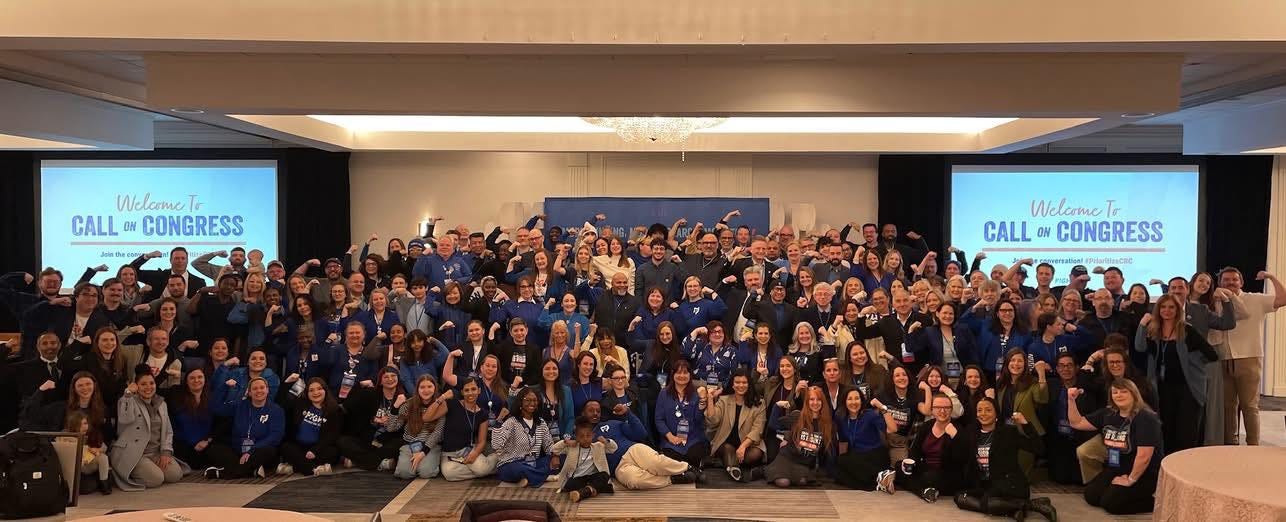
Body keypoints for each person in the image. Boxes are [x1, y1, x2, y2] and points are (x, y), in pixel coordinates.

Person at [1134, 295, 1219, 455]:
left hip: (1188, 388)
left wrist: (1191, 362)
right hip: (1163, 388)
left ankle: (1185, 463)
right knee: (1167, 429)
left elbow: (1211, 355)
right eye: (1163, 307)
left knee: (1186, 431)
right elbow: (1140, 347)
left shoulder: (1187, 331)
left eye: (1171, 307)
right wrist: (1142, 324)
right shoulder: (1154, 331)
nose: (1167, 310)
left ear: (1177, 310)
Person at [1067, 380, 1163, 515]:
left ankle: (1156, 503)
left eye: (1124, 391)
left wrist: (1130, 480)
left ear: (1134, 394)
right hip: (1116, 467)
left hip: (1143, 473)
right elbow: (1077, 423)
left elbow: (1144, 456)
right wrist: (1071, 400)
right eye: (1115, 392)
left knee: (1111, 504)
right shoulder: (1108, 413)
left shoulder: (1146, 417)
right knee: (1091, 496)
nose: (1119, 395)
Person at [953, 397, 1057, 521]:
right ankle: (1017, 509)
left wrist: (1025, 424)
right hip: (986, 485)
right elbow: (961, 456)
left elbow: (1039, 448)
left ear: (996, 414)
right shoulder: (971, 433)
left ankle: (1029, 506)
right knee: (960, 497)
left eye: (988, 410)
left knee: (988, 502)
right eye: (979, 410)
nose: (983, 413)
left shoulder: (1008, 432)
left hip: (1010, 484)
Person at [1219, 268, 1286, 445]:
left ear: (1241, 282)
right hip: (1223, 359)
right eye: (1226, 280)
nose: (1230, 282)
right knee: (1228, 406)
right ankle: (1230, 444)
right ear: (1220, 283)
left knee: (1249, 406)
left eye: (1234, 279)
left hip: (1249, 358)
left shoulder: (1256, 299)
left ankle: (1253, 446)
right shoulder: (1217, 301)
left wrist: (1271, 277)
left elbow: (1283, 299)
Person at [111, 366, 186, 491]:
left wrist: (166, 452)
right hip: (136, 453)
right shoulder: (128, 400)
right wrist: (128, 394)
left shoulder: (161, 403)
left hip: (155, 452)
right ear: (136, 386)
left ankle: (151, 468)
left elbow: (168, 431)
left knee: (175, 475)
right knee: (156, 479)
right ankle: (127, 472)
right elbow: (125, 419)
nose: (148, 387)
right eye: (143, 384)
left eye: (151, 383)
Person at [881, 393, 960, 503]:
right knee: (900, 465)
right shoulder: (926, 426)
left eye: (946, 407)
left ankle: (903, 481)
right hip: (926, 468)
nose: (942, 411)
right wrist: (909, 465)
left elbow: (960, 459)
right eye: (938, 407)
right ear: (932, 410)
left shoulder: (958, 429)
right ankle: (924, 491)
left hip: (945, 473)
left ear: (951, 410)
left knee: (928, 477)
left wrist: (955, 437)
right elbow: (915, 452)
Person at [205, 376, 284, 479]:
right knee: (214, 449)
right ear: (249, 392)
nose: (259, 391)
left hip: (258, 450)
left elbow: (275, 436)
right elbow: (215, 407)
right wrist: (224, 387)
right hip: (237, 450)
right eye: (255, 388)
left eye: (262, 387)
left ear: (267, 390)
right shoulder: (240, 405)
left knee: (269, 451)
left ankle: (222, 473)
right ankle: (250, 471)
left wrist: (251, 451)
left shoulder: (276, 410)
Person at [336, 366, 405, 471]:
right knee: (342, 441)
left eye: (393, 376)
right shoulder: (371, 394)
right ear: (380, 381)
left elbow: (402, 427)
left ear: (398, 378)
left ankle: (359, 461)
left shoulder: (403, 398)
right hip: (369, 439)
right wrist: (359, 385)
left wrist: (394, 412)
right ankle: (380, 463)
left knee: (400, 443)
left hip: (389, 440)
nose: (390, 379)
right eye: (386, 377)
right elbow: (348, 404)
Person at [994, 348, 1049, 477]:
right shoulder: (1002, 383)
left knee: (1021, 474)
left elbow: (1042, 398)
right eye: (1012, 360)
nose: (1016, 364)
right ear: (1007, 363)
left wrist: (1041, 375)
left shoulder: (1032, 382)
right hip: (1005, 432)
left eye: (1020, 361)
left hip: (1025, 434)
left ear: (1025, 364)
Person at [705, 368, 766, 482]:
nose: (740, 385)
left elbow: (757, 429)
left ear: (749, 384)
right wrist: (710, 399)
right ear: (732, 385)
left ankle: (727, 463)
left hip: (747, 444)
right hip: (726, 442)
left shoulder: (759, 403)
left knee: (756, 454)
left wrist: (743, 446)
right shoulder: (724, 400)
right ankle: (734, 469)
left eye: (744, 382)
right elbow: (713, 421)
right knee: (728, 449)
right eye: (737, 382)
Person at [432, 377, 498, 481]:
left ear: (479, 390)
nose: (470, 393)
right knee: (449, 474)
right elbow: (427, 417)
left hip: (468, 451)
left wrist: (475, 454)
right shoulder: (452, 404)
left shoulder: (483, 413)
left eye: (473, 389)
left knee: (481, 469)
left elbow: (482, 441)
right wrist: (442, 397)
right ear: (462, 392)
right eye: (467, 390)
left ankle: (494, 460)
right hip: (449, 454)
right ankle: (490, 469)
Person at [766, 385, 833, 487]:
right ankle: (765, 470)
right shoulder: (797, 416)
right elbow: (773, 425)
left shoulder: (826, 423)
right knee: (783, 482)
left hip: (803, 463)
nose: (815, 403)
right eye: (812, 399)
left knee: (802, 482)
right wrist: (777, 406)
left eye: (818, 399)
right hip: (787, 457)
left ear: (823, 402)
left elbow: (827, 449)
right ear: (807, 402)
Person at [491, 387, 556, 487]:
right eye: (528, 400)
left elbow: (549, 446)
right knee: (518, 468)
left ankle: (528, 478)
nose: (532, 403)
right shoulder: (511, 422)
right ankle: (544, 477)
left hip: (533, 463)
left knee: (559, 459)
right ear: (520, 402)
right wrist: (499, 421)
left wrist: (555, 456)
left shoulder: (541, 423)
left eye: (534, 400)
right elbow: (496, 445)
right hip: (511, 464)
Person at [278, 378, 343, 476]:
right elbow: (282, 403)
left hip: (318, 448)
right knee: (285, 447)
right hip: (299, 447)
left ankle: (294, 467)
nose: (315, 393)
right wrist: (286, 383)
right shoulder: (299, 404)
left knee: (333, 453)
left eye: (319, 389)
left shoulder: (334, 410)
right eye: (311, 390)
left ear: (325, 390)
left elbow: (332, 435)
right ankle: (313, 469)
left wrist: (314, 451)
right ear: (307, 393)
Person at [654, 360, 710, 473]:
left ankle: (689, 471)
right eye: (678, 372)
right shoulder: (664, 393)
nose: (682, 376)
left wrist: (702, 402)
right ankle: (690, 471)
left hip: (692, 438)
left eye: (685, 373)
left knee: (694, 455)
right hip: (671, 439)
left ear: (690, 375)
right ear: (673, 374)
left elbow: (698, 419)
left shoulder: (696, 393)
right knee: (672, 458)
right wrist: (670, 437)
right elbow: (659, 419)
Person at [387, 375, 444, 480]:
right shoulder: (409, 404)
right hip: (410, 444)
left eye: (429, 386)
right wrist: (395, 407)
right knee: (404, 473)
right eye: (422, 387)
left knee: (425, 472)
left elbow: (438, 432)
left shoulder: (440, 405)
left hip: (430, 446)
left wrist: (423, 453)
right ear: (417, 389)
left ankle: (432, 462)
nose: (426, 390)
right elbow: (391, 428)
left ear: (435, 388)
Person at [551, 416, 617, 503]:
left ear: (593, 435)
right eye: (581, 436)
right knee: (570, 484)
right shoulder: (572, 448)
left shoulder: (598, 446)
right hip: (578, 478)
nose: (585, 439)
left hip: (592, 477)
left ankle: (585, 492)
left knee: (604, 475)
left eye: (588, 436)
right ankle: (597, 488)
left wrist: (606, 441)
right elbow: (554, 449)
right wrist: (565, 442)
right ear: (576, 437)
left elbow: (613, 448)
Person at [833, 387, 888, 491]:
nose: (853, 402)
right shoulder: (842, 418)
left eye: (857, 398)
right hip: (857, 456)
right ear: (844, 402)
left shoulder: (870, 414)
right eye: (850, 399)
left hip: (875, 455)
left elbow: (892, 429)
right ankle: (877, 482)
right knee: (837, 471)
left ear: (862, 401)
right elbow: (843, 441)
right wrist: (843, 463)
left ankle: (875, 479)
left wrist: (882, 408)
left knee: (844, 466)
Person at [871, 365, 920, 465]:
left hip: (899, 442)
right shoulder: (882, 395)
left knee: (901, 467)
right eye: (897, 375)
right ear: (892, 380)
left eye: (904, 375)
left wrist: (927, 388)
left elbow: (927, 411)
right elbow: (871, 406)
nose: (901, 378)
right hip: (881, 437)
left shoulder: (915, 396)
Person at [167, 368, 214, 471]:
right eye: (192, 378)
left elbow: (217, 424)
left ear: (205, 379)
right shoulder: (177, 398)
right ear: (186, 381)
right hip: (184, 443)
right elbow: (177, 427)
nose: (196, 380)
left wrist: (207, 441)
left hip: (206, 443)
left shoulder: (212, 397)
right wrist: (193, 443)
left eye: (200, 377)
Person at [65, 410, 112, 495]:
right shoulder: (68, 436)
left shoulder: (91, 434)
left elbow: (104, 447)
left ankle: (104, 485)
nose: (84, 427)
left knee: (103, 458)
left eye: (85, 423)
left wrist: (97, 450)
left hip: (89, 463)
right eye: (81, 424)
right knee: (87, 487)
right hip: (76, 466)